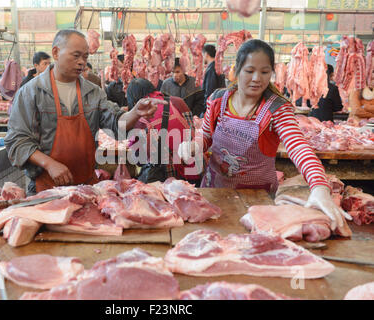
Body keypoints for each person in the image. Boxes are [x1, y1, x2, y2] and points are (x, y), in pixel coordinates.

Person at [178, 39, 351, 231]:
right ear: (236, 70)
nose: (257, 79)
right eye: (250, 71)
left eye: (264, 72)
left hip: (257, 201)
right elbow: (207, 135)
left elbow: (298, 147)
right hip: (214, 192)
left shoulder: (277, 108)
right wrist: (194, 145)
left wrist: (319, 186)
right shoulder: (219, 99)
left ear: (272, 73)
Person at [5, 29, 161, 194]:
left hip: (86, 188)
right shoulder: (31, 92)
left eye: (85, 57)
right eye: (76, 55)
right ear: (56, 53)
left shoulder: (92, 92)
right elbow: (17, 142)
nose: (82, 62)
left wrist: (135, 112)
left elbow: (116, 122)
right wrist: (49, 164)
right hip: (46, 189)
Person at [126, 78, 201, 186]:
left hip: (166, 178)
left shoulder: (139, 117)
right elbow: (192, 132)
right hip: (194, 169)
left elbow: (139, 159)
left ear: (134, 100)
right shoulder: (178, 102)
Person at [202, 44, 225, 110]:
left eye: (203, 55)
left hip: (213, 106)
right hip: (218, 103)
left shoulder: (211, 69)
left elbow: (210, 90)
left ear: (206, 54)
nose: (203, 57)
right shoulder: (216, 66)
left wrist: (206, 108)